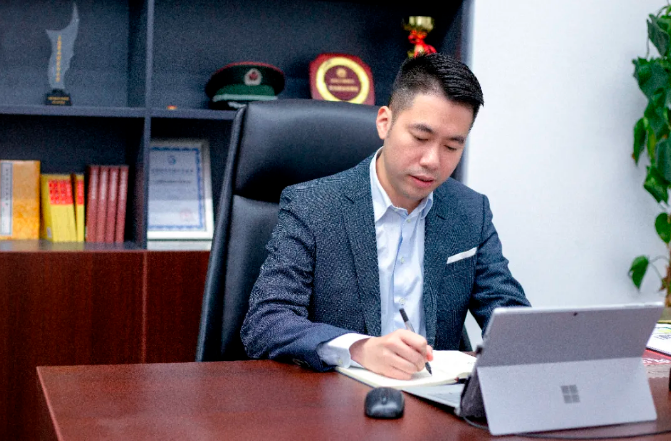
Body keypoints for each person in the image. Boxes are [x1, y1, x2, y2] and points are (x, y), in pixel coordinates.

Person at [240, 53, 530, 379]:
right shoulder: (312, 206)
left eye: (451, 147)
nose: (433, 160)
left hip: (435, 395)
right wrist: (358, 349)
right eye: (420, 138)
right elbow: (265, 322)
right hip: (338, 395)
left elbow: (508, 314)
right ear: (384, 122)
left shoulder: (470, 211)